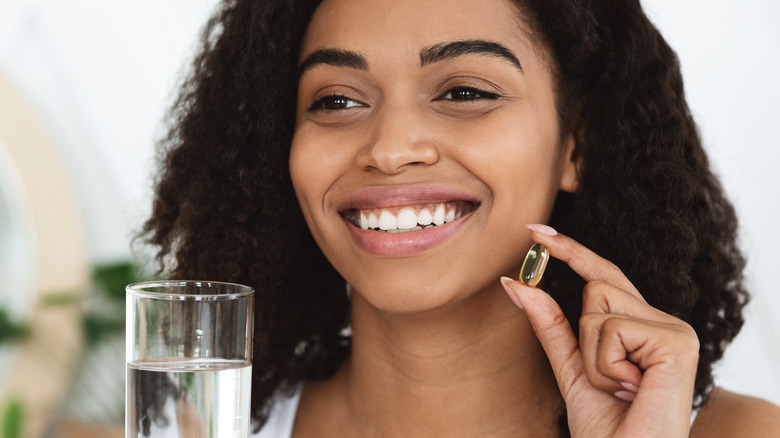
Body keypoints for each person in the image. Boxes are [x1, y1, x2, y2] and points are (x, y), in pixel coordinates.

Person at [140, 0, 780, 436]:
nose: (390, 150)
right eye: (336, 99)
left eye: (464, 93)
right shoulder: (198, 425)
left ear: (578, 144)